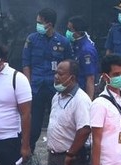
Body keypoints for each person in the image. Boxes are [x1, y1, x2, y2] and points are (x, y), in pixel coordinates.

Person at [22, 8, 73, 152]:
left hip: (55, 89)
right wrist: (27, 85)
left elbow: (69, 66)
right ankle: (27, 157)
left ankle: (58, 156)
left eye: (40, 22)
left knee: (58, 124)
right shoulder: (31, 39)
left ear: (49, 24)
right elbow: (26, 64)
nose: (37, 25)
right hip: (36, 88)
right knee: (33, 127)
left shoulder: (63, 42)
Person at [66, 16, 99, 99]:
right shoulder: (76, 44)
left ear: (77, 32)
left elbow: (90, 78)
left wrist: (88, 102)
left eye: (70, 30)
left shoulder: (86, 50)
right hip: (74, 91)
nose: (67, 32)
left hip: (83, 92)